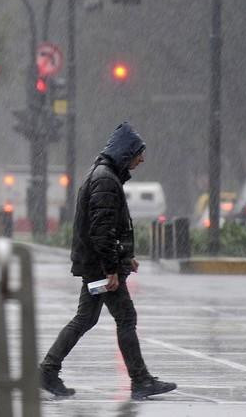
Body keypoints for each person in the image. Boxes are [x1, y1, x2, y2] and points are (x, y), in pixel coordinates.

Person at [40, 123, 177, 400]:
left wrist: (127, 257)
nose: (142, 159)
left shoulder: (104, 175)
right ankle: (140, 381)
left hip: (97, 265)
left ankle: (48, 370)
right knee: (124, 317)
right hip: (100, 269)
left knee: (86, 318)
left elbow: (108, 227)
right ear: (125, 152)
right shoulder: (105, 179)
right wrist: (112, 269)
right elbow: (101, 230)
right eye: (139, 153)